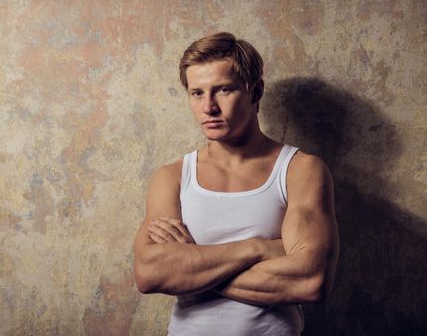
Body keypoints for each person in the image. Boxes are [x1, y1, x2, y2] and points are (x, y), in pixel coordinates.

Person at [133, 32, 339, 335]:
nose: (209, 107)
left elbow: (311, 281)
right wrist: (257, 249)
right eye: (197, 93)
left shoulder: (299, 170)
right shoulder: (173, 177)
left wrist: (192, 265)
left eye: (224, 90)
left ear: (255, 92)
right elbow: (150, 274)